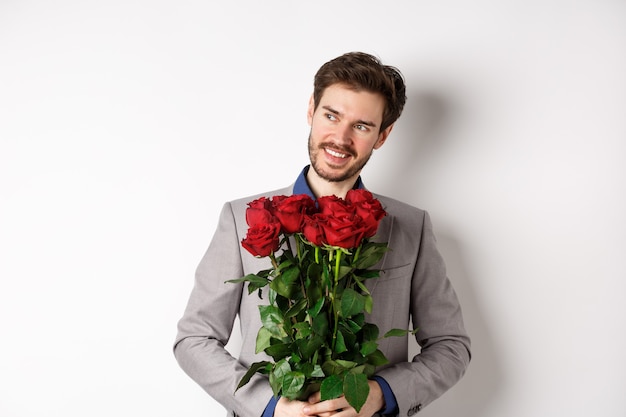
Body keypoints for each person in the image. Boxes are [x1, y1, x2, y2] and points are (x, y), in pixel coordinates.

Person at [174, 51, 471, 417]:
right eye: (331, 116)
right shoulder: (241, 217)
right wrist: (269, 407)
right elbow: (194, 339)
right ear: (311, 110)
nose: (340, 137)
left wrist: (380, 395)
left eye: (362, 126)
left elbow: (451, 346)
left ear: (383, 135)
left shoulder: (412, 226)